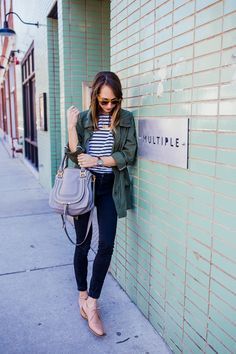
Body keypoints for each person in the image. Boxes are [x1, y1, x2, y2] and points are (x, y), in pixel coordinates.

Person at [66, 71, 137, 337]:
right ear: (95, 96)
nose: (109, 106)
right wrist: (71, 126)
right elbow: (74, 156)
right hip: (85, 186)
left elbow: (128, 154)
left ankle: (93, 303)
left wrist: (98, 160)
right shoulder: (84, 118)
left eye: (114, 101)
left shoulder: (126, 119)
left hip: (110, 188)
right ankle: (82, 295)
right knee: (82, 244)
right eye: (104, 101)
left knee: (106, 244)